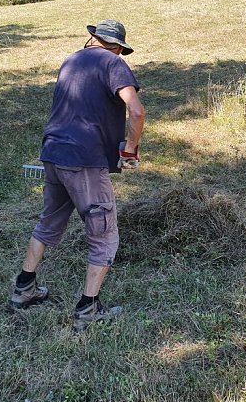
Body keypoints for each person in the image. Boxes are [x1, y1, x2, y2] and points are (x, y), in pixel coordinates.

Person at [9, 19, 145, 332]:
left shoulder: (71, 61)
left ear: (93, 39)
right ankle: (88, 310)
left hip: (54, 152)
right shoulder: (113, 63)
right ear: (115, 46)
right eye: (120, 51)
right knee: (104, 233)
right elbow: (137, 111)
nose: (120, 55)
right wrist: (129, 151)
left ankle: (24, 290)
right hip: (84, 160)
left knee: (48, 222)